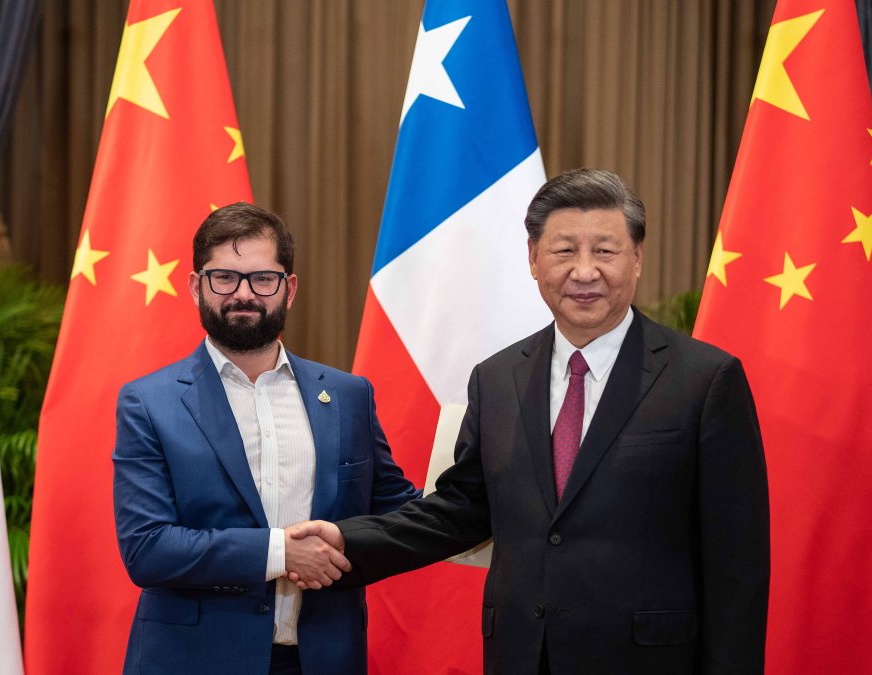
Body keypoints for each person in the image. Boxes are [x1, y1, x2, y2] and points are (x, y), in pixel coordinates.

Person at [289, 168, 770, 674]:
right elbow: (460, 510)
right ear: (534, 259)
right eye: (564, 251)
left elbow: (736, 564)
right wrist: (349, 542)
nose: (585, 272)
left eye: (605, 251)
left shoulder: (704, 378)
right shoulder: (497, 379)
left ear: (637, 259)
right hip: (523, 655)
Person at [112, 202, 421, 675]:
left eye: (262, 278)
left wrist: (488, 490)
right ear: (196, 286)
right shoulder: (148, 402)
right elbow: (148, 548)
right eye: (224, 278)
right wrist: (281, 552)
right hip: (193, 662)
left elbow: (398, 511)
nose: (243, 294)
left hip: (323, 658)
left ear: (288, 289)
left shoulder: (348, 395)